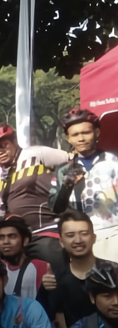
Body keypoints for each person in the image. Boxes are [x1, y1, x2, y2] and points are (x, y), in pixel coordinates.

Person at [0, 124, 68, 263]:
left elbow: (72, 160)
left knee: (54, 267)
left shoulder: (36, 154)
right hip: (18, 238)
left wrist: (62, 185)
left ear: (13, 142)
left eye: (3, 146)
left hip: (47, 230)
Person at [50, 107, 118, 262]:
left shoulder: (114, 161)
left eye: (86, 132)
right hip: (80, 240)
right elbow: (55, 209)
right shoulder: (63, 170)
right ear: (68, 139)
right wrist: (66, 186)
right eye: (75, 135)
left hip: (113, 234)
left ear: (97, 133)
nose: (80, 138)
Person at [39, 211, 97, 328]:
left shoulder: (113, 272)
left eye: (84, 234)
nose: (78, 240)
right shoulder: (55, 279)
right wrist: (45, 291)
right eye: (70, 235)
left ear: (94, 237)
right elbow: (40, 318)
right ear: (61, 242)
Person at [0, 216, 49, 301]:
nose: (6, 242)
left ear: (25, 241)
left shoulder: (41, 267)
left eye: (12, 236)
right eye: (1, 237)